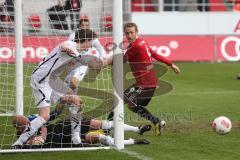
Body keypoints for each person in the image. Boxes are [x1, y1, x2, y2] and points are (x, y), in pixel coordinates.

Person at [11, 29, 103, 149]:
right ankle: (18, 144)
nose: (91, 45)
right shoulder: (70, 45)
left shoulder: (80, 56)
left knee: (76, 101)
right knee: (44, 116)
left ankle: (76, 141)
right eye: (91, 42)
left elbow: (91, 63)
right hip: (42, 80)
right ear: (85, 40)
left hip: (53, 81)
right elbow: (63, 46)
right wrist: (69, 51)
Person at [108, 22, 181, 136]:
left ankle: (105, 129)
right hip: (148, 83)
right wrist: (171, 64)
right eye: (127, 33)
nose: (129, 35)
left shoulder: (135, 46)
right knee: (132, 106)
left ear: (137, 32)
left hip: (144, 84)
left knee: (118, 102)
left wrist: (108, 61)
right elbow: (155, 55)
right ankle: (156, 121)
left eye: (131, 32)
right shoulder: (142, 42)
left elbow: (122, 60)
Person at [12, 111, 151, 148]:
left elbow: (50, 116)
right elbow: (39, 143)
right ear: (20, 128)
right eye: (27, 124)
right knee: (100, 139)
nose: (31, 124)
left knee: (104, 124)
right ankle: (131, 142)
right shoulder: (23, 140)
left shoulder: (32, 119)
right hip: (64, 139)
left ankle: (137, 129)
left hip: (64, 125)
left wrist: (60, 106)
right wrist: (41, 137)